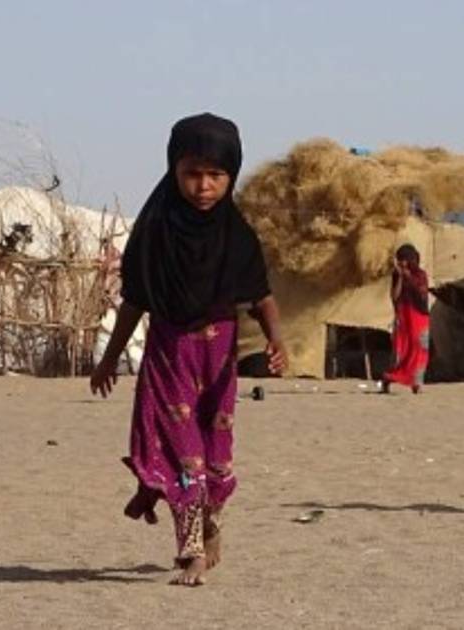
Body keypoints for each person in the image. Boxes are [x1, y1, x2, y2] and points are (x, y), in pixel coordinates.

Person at [90, 113, 288, 585]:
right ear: (173, 170)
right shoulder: (155, 232)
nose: (203, 186)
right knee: (186, 456)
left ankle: (211, 519)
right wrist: (110, 357)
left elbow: (261, 297)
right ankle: (191, 551)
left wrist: (277, 341)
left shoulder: (237, 235)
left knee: (216, 455)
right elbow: (135, 301)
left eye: (216, 175)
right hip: (169, 354)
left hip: (218, 360)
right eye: (192, 173)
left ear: (231, 174)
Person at [381, 243, 430, 394]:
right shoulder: (397, 275)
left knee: (419, 348)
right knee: (402, 348)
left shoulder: (420, 275)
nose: (402, 263)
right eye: (400, 259)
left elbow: (422, 293)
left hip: (419, 316)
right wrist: (401, 278)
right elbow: (394, 296)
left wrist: (408, 276)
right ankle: (389, 378)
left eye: (405, 259)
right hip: (404, 315)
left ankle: (416, 383)